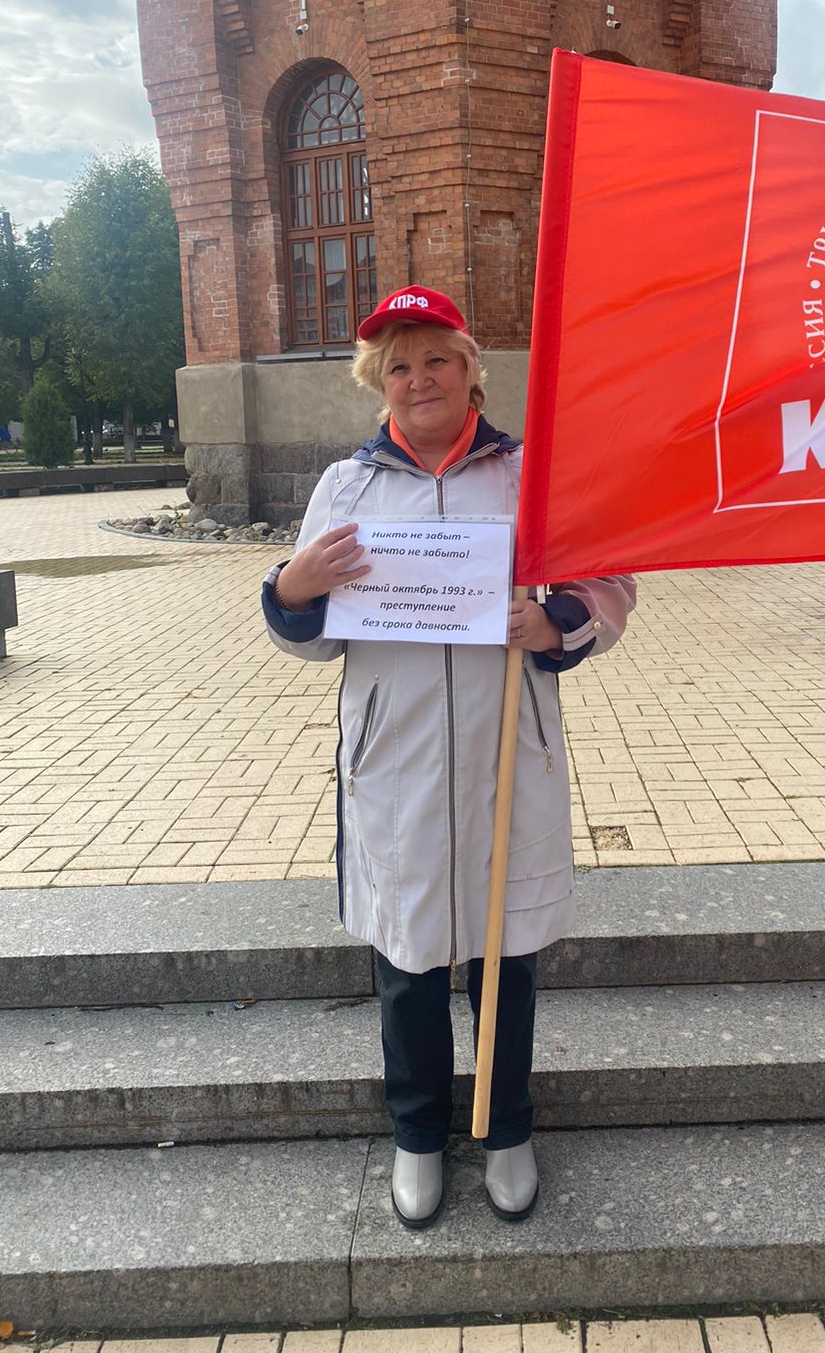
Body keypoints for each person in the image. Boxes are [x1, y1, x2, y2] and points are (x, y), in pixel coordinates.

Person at [262, 286, 636, 1229]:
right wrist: (292, 590)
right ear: (376, 382)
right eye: (398, 365)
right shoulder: (348, 489)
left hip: (508, 749)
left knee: (509, 955)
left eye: (436, 358)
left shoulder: (529, 478)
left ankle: (506, 1128)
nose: (418, 378)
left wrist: (553, 621)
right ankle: (419, 1134)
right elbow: (314, 638)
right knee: (410, 957)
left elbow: (610, 583)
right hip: (395, 760)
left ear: (472, 370)